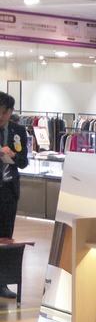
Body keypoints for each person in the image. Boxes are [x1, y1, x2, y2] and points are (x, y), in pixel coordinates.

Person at [0, 91, 28, 299]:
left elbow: (24, 161)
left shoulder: (18, 131)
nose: (1, 116)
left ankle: (2, 283)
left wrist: (13, 155)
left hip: (9, 191)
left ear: (10, 112)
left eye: (4, 112)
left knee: (6, 238)